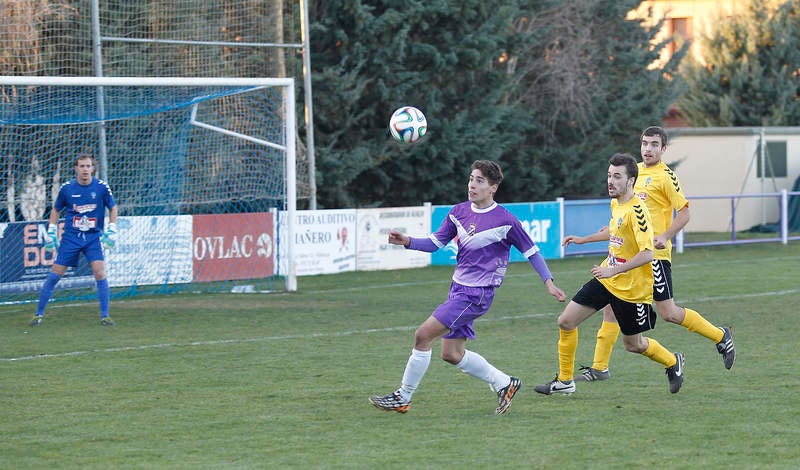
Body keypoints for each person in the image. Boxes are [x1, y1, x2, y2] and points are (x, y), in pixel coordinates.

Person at [369, 159, 567, 415]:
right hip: (458, 289)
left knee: (423, 335)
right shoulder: (458, 212)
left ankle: (403, 397)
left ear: (493, 187)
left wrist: (549, 283)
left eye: (480, 181)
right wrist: (407, 241)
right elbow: (434, 242)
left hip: (476, 295)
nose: (472, 185)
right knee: (451, 353)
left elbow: (532, 251)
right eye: (471, 179)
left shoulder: (506, 220)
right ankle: (505, 383)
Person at [569, 126, 734, 383]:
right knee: (611, 306)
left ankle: (719, 336)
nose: (648, 149)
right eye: (645, 143)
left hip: (653, 258)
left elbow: (685, 213)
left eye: (654, 144)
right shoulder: (631, 172)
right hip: (627, 256)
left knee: (668, 313)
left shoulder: (666, 177)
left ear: (663, 149)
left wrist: (665, 236)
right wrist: (589, 237)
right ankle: (599, 368)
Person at [534, 152, 685, 396]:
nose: (610, 181)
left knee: (634, 345)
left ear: (631, 181)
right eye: (609, 175)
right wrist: (584, 239)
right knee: (565, 321)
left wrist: (612, 269)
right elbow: (615, 232)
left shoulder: (639, 212)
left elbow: (648, 254)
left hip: (632, 290)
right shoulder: (617, 203)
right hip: (608, 280)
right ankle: (564, 381)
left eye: (617, 176)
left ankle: (672, 362)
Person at [29, 153, 119, 327]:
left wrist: (112, 229)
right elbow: (55, 211)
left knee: (100, 272)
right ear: (76, 168)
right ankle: (38, 315)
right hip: (71, 238)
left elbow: (113, 208)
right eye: (82, 166)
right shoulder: (67, 188)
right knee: (55, 275)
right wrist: (52, 232)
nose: (85, 169)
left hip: (93, 237)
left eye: (88, 166)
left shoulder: (101, 187)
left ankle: (105, 316)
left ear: (93, 168)